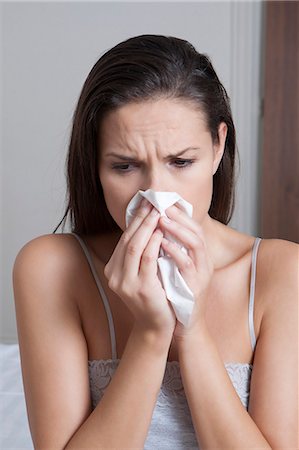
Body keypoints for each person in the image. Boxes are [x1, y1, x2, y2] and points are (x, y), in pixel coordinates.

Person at [12, 34, 298, 449]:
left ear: (218, 148)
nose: (157, 194)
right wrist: (150, 333)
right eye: (125, 166)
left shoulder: (280, 271)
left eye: (181, 162)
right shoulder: (50, 268)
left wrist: (192, 329)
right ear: (94, 164)